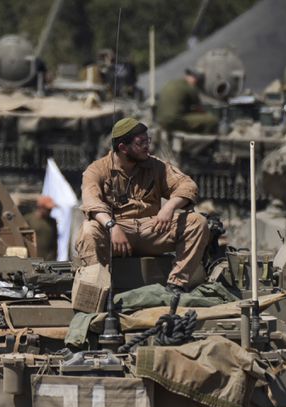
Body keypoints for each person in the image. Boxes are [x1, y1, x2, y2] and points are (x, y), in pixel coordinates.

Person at [75, 117, 209, 292]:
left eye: (148, 141)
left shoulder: (156, 166)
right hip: (117, 231)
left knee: (197, 222)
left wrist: (169, 207)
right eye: (141, 143)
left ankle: (176, 284)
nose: (148, 146)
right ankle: (98, 289)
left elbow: (187, 186)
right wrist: (111, 226)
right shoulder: (97, 170)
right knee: (89, 230)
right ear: (123, 148)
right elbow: (91, 203)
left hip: (152, 228)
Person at [155, 69, 218, 134]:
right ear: (195, 79)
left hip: (161, 121)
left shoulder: (171, 83)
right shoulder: (189, 88)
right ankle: (205, 142)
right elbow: (200, 110)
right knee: (212, 120)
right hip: (174, 121)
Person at [25, 196, 59, 261]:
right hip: (33, 258)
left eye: (51, 209)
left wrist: (55, 256)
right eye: (48, 209)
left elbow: (54, 242)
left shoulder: (52, 222)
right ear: (40, 207)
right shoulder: (29, 220)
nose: (50, 211)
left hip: (49, 260)